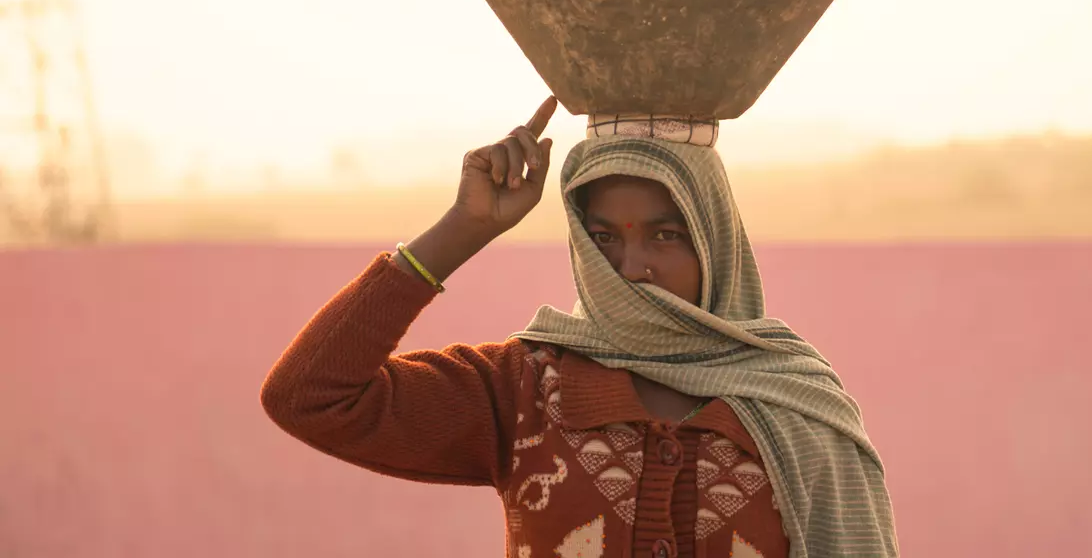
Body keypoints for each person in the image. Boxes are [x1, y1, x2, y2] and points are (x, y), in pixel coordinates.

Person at [260, 96, 897, 558]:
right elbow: (310, 395)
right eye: (602, 239)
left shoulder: (800, 405)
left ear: (717, 241)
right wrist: (464, 228)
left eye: (666, 235)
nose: (633, 266)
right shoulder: (523, 390)